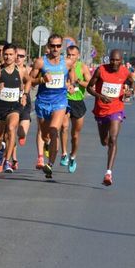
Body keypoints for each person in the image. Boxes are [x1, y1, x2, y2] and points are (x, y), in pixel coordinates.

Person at [29, 34, 76, 179]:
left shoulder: (67, 63)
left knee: (54, 130)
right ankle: (47, 144)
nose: (55, 49)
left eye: (58, 46)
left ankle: (49, 164)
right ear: (48, 47)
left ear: (61, 47)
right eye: (52, 46)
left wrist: (71, 86)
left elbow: (72, 79)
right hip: (43, 102)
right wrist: (42, 79)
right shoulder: (40, 62)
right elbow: (30, 80)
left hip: (60, 102)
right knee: (45, 135)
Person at [87, 49, 134, 186]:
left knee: (113, 139)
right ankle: (108, 144)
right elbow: (89, 88)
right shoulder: (101, 70)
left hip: (116, 109)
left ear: (121, 61)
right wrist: (100, 96)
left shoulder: (125, 71)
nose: (114, 62)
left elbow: (132, 82)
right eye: (112, 60)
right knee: (104, 141)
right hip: (101, 110)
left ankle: (108, 173)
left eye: (117, 60)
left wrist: (129, 91)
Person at [0, 43, 31, 173]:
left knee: (11, 129)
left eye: (11, 54)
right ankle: (0, 148)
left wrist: (25, 95)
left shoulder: (21, 70)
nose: (8, 57)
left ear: (15, 55)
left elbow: (29, 81)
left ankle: (7, 162)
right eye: (6, 54)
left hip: (14, 107)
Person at [59, 45, 91, 173]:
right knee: (64, 127)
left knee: (75, 135)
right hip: (64, 100)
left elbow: (90, 83)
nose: (71, 57)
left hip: (78, 102)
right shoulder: (62, 65)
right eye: (68, 55)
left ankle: (73, 156)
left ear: (78, 56)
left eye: (73, 55)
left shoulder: (82, 67)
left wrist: (78, 81)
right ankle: (64, 154)